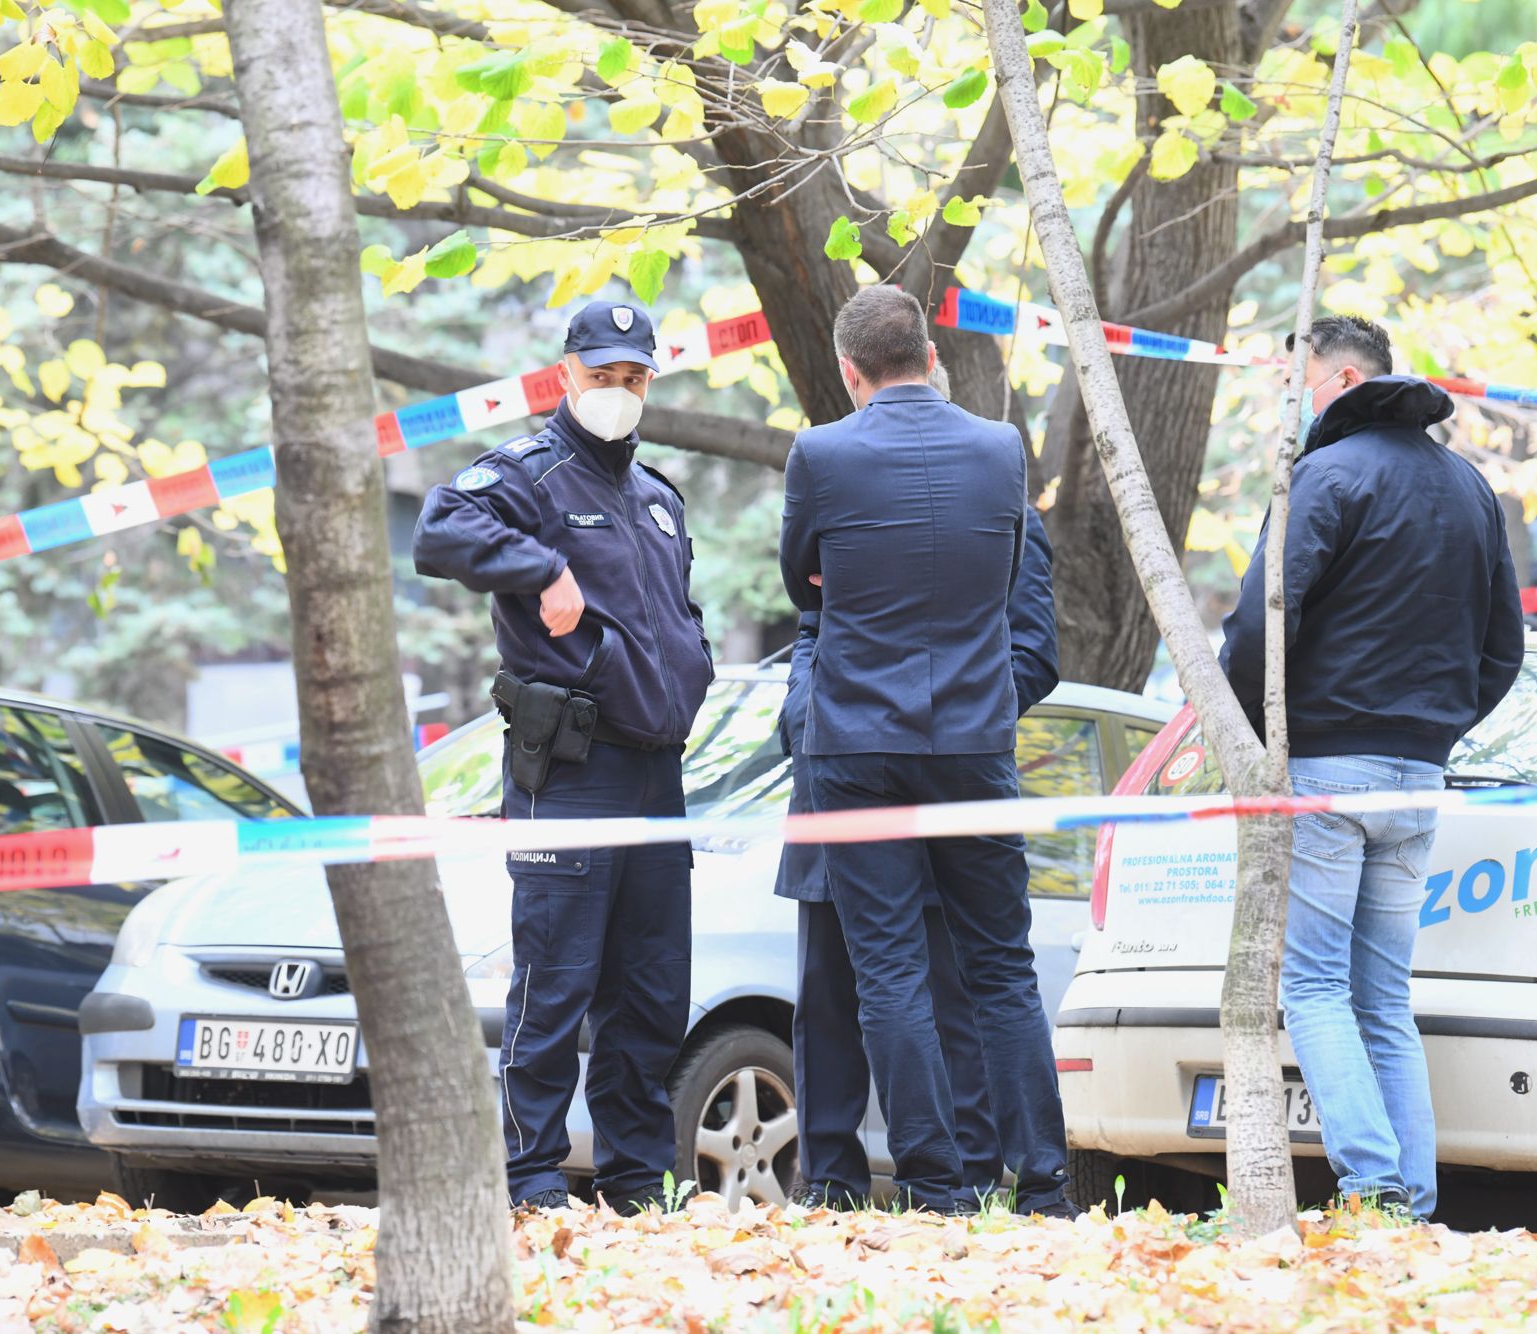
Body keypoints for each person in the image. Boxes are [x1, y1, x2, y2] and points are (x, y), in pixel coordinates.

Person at [1219, 313, 1525, 1220]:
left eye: (1300, 381)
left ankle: (1374, 1185)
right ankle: (1411, 1203)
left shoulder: (1323, 477)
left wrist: (1252, 739)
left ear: (1343, 381)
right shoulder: (1471, 490)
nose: (1293, 400)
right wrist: (1437, 730)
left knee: (1311, 986)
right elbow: (1504, 648)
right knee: (1383, 998)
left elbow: (1259, 620)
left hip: (1325, 770)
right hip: (1417, 778)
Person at [412, 298, 715, 1213]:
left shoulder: (658, 498)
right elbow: (437, 530)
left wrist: (692, 664)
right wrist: (543, 568)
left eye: (633, 378)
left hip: (657, 774)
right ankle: (531, 1174)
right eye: (601, 376)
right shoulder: (531, 476)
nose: (616, 393)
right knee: (556, 982)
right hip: (575, 771)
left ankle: (636, 1176)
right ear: (566, 376)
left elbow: (677, 618)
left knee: (653, 991)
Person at [778, 286, 1073, 1216]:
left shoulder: (820, 453)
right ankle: (1044, 1183)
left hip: (857, 745)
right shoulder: (999, 449)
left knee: (889, 969)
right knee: (1002, 966)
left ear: (849, 371)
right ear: (934, 357)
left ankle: (934, 1185)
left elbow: (803, 580)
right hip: (974, 741)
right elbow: (1009, 564)